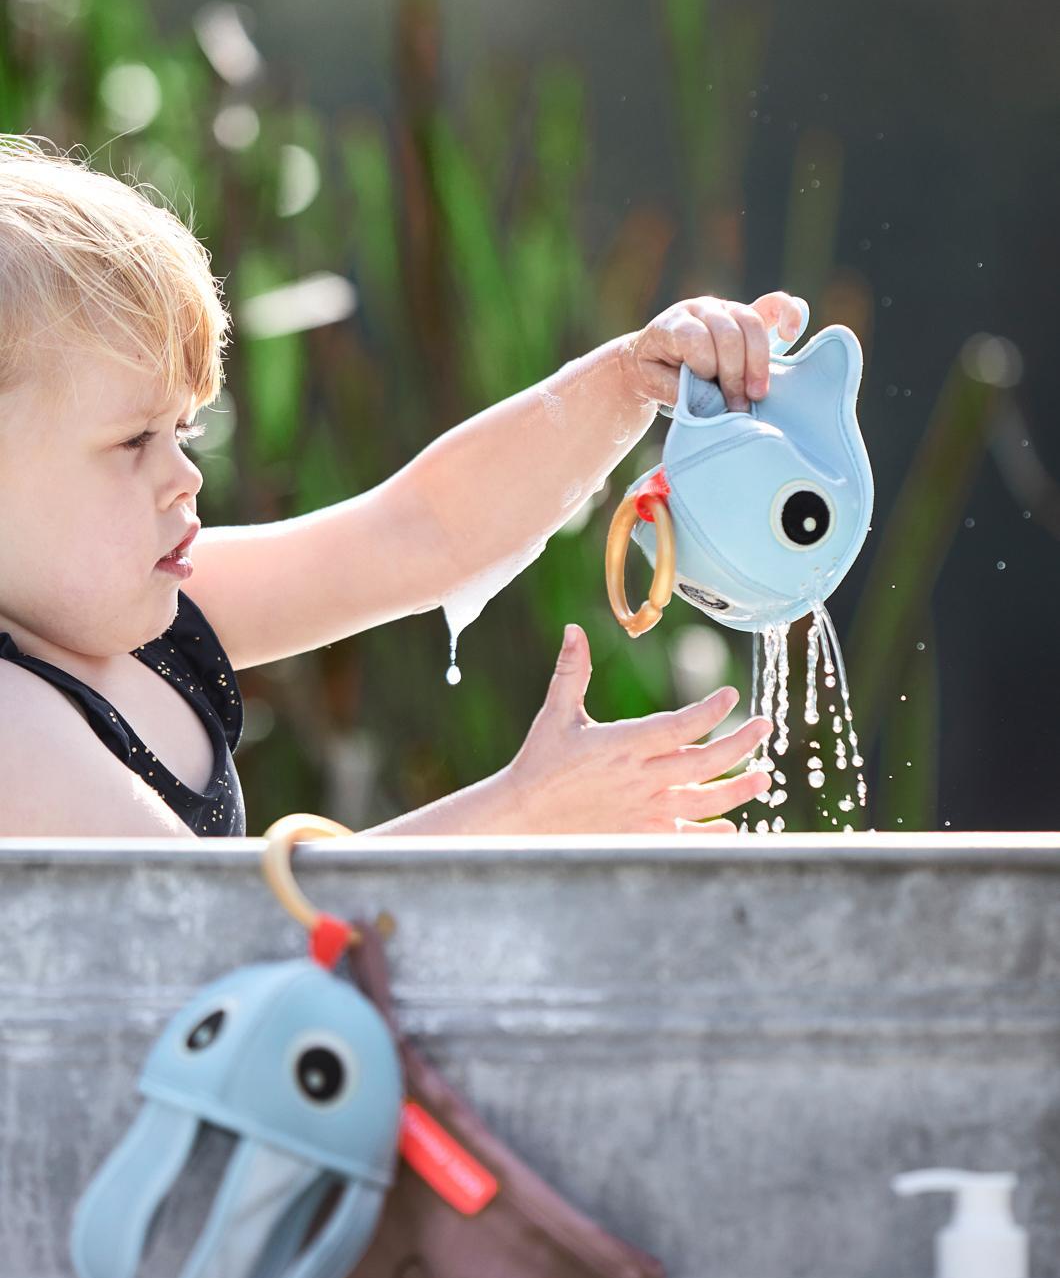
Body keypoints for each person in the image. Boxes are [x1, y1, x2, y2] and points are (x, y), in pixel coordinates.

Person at [0, 134, 799, 838]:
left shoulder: (138, 616)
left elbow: (421, 531)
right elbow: (230, 942)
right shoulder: (14, 724)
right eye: (135, 439)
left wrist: (632, 375)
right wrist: (524, 811)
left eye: (184, 431)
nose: (185, 476)